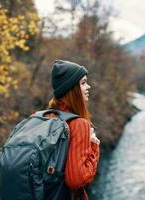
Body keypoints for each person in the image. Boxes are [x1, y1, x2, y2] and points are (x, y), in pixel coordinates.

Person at [46, 60, 100, 200]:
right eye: (83, 83)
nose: (88, 87)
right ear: (71, 89)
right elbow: (76, 180)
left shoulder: (42, 117)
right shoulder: (79, 124)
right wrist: (94, 145)